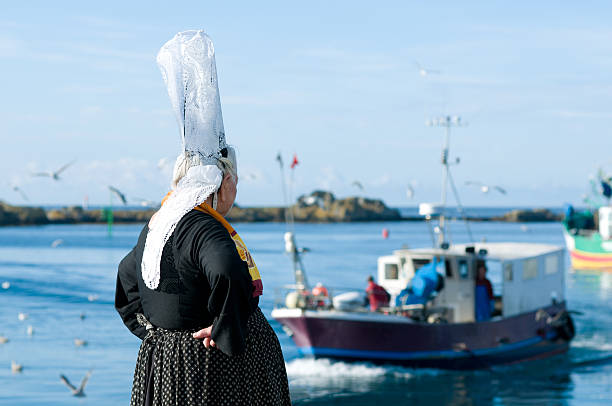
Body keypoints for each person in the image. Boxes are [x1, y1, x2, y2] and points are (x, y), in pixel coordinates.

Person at [114, 30, 290, 406]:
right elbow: (227, 270)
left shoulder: (159, 223)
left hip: (167, 366)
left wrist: (156, 333)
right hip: (211, 369)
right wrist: (226, 328)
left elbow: (127, 278)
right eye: (235, 182)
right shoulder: (203, 226)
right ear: (223, 181)